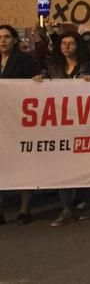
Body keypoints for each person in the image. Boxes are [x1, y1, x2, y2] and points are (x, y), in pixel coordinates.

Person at [33, 32, 90, 226]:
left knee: (84, 166)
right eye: (63, 43)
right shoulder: (52, 69)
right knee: (62, 168)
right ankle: (66, 209)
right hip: (61, 125)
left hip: (85, 124)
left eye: (71, 43)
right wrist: (38, 81)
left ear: (78, 46)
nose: (66, 47)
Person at [0, 25, 41, 225]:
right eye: (0, 37)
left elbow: (35, 83)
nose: (2, 41)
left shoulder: (24, 59)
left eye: (7, 37)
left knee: (21, 160)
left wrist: (36, 81)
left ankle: (25, 206)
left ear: (15, 40)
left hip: (19, 119)